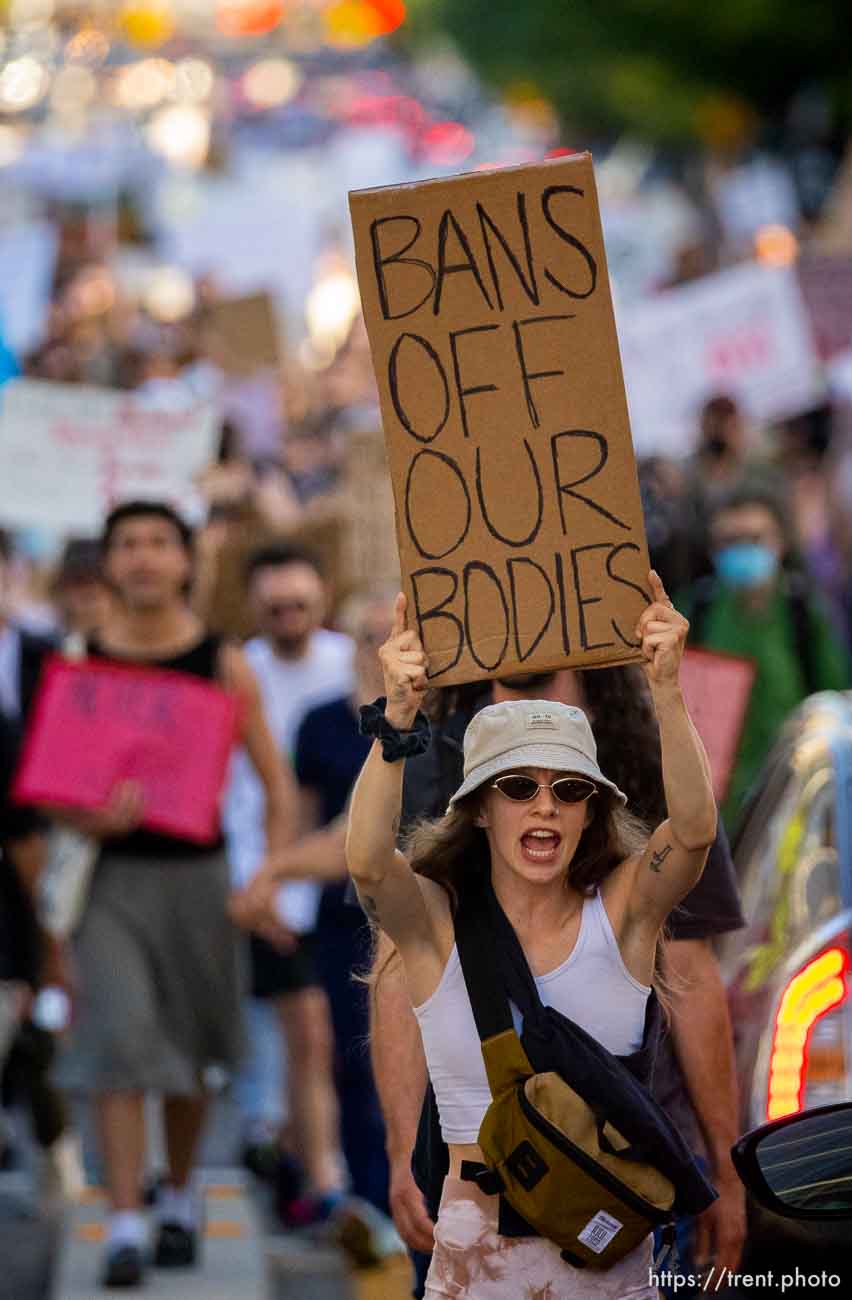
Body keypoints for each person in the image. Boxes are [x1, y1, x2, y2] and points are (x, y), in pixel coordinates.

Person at [345, 573, 718, 1298]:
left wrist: (667, 691)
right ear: (479, 808)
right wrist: (396, 715)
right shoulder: (437, 925)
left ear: (591, 811)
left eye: (569, 789)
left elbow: (695, 833)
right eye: (517, 787)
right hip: (475, 1275)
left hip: (611, 1276)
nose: (544, 807)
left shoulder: (623, 912)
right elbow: (365, 861)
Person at [53, 501, 299, 1290]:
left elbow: (276, 784)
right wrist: (87, 813)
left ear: (188, 562)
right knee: (120, 1041)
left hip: (201, 880)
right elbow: (49, 789)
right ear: (110, 563)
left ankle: (179, 1198)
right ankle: (125, 1219)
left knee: (192, 1051)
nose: (144, 558)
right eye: (128, 544)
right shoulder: (80, 656)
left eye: (160, 543)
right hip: (110, 883)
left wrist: (268, 875)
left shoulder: (224, 662)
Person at [224, 542, 354, 1225]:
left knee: (340, 1039)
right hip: (272, 878)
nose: (287, 614)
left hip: (349, 884)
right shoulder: (239, 671)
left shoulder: (350, 661)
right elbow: (236, 792)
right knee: (307, 1033)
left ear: (322, 597)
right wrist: (257, 884)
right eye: (274, 605)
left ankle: (305, 1155)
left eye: (298, 603)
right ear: (254, 604)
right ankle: (321, 1172)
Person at [681, 483, 849, 831]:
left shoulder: (804, 613)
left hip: (797, 807)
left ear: (780, 542)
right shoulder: (694, 613)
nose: (743, 550)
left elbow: (836, 708)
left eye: (755, 538)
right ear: (712, 548)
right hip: (714, 820)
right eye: (730, 540)